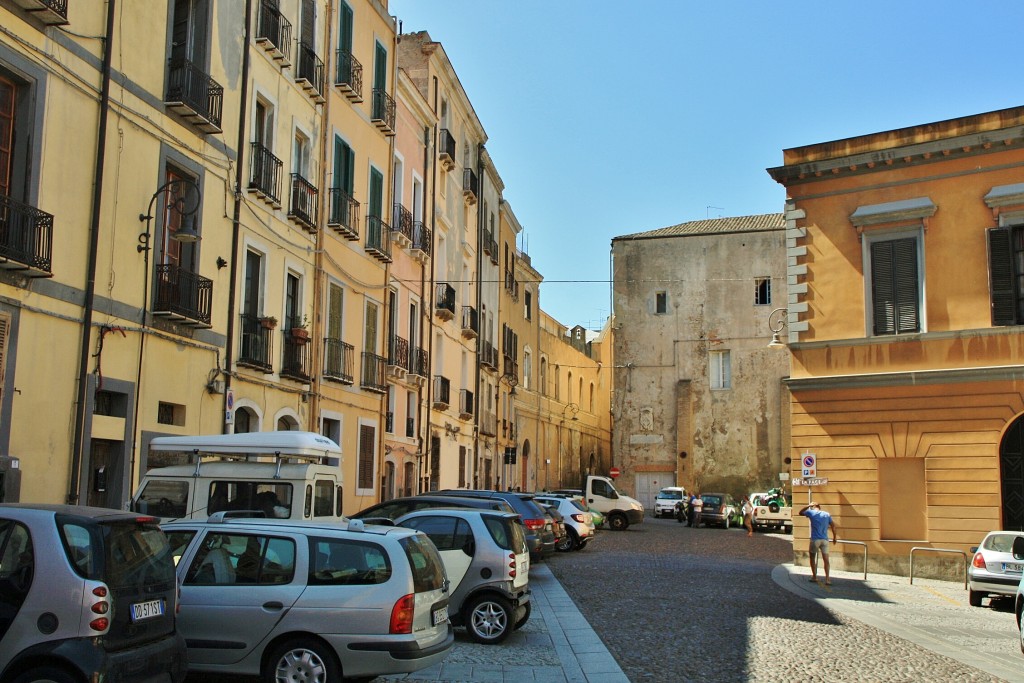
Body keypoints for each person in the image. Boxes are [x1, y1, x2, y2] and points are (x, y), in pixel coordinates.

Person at [798, 501, 837, 584]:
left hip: (815, 539)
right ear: (820, 507)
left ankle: (814, 577)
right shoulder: (827, 514)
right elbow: (833, 526)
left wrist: (808, 505)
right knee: (826, 560)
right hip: (825, 540)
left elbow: (800, 513)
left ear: (813, 506)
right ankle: (827, 579)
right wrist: (834, 537)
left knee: (812, 558)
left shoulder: (811, 512)